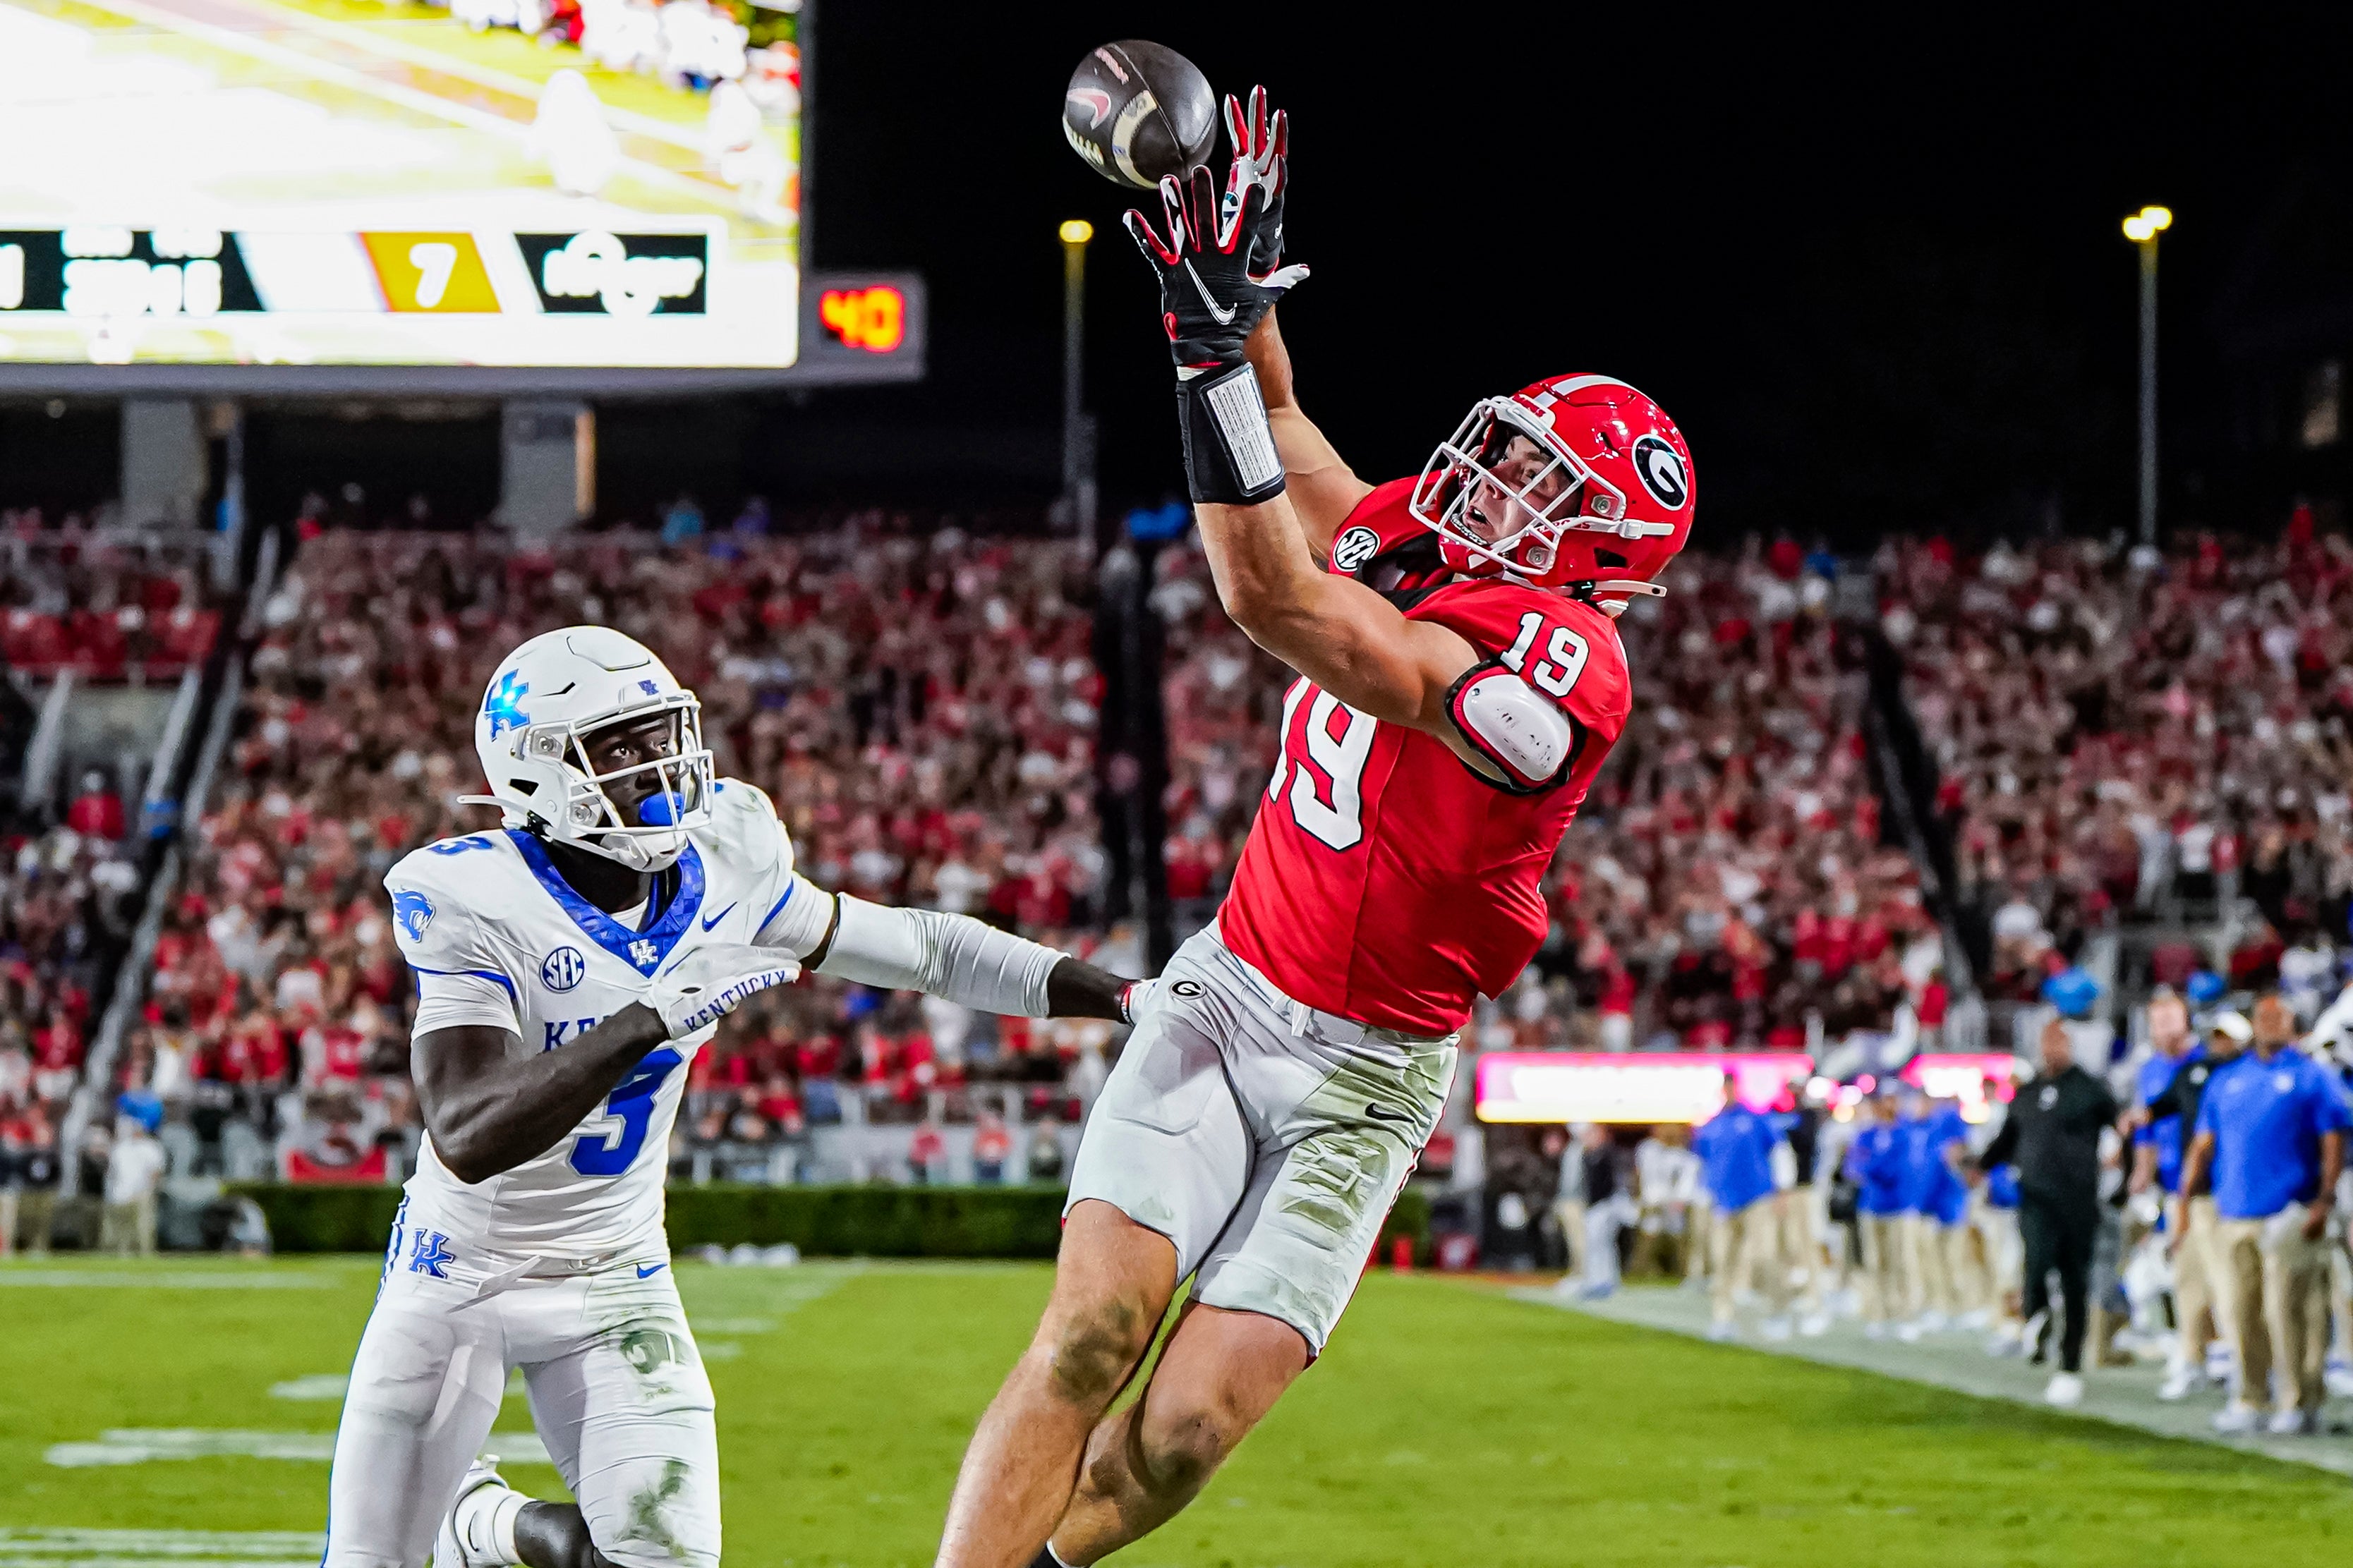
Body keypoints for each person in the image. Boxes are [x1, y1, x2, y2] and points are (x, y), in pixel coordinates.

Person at [933, 86, 1695, 1568]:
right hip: (1229, 995)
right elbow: (1280, 430)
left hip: (1371, 1072)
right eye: (1519, 449)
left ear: (1597, 547)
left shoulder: (1567, 672)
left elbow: (1275, 597)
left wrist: (1199, 350)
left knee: (1183, 1431)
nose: (1500, 477)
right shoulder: (1433, 533)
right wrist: (1236, 299)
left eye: (1547, 481)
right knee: (1092, 1329)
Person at [324, 627, 1147, 1568]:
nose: (659, 765)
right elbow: (465, 1129)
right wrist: (643, 1017)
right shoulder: (472, 891)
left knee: (663, 1556)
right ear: (537, 770)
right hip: (458, 1272)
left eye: (660, 732)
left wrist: (1123, 997)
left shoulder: (725, 863)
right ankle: (477, 1522)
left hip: (614, 1271)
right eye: (619, 747)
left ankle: (502, 1529)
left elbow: (926, 949)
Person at [2179, 991, 2349, 1435]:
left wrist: (2323, 1199)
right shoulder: (2227, 1079)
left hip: (2290, 1209)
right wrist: (2189, 1198)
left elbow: (2332, 1141)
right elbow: (2204, 1143)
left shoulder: (2312, 1077)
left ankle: (2298, 1400)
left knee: (2290, 1312)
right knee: (2239, 1311)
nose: (2271, 1023)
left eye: (2280, 1017)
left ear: (2293, 1024)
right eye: (2264, 1016)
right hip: (2234, 1209)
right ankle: (2250, 1397)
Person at [1974, 1016, 2122, 1409]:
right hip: (2036, 1197)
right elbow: (2008, 1139)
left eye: (2059, 1041)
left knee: (2075, 1281)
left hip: (2078, 1200)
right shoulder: (2028, 1092)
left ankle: (2070, 1364)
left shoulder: (2089, 1090)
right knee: (2036, 1261)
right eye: (2047, 1041)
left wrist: (2127, 1161)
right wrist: (1979, 1167)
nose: (2052, 1048)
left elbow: (2122, 1126)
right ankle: (2036, 1319)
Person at [2130, 991, 2232, 1398]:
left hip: (2212, 1187)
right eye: (2159, 1022)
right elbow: (2147, 1126)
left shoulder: (2207, 1066)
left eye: (2171, 1021)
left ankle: (2231, 1354)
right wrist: (2142, 1170)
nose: (2165, 1030)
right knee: (2186, 1276)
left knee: (2221, 1276)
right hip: (2175, 1188)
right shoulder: (2152, 1070)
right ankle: (2193, 1357)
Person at [1689, 1079, 1791, 1340]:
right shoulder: (1711, 1126)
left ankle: (1777, 1312)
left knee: (1765, 1256)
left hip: (1758, 1197)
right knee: (1723, 1261)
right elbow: (1700, 1163)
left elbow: (1780, 1151)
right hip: (1723, 1202)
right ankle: (1723, 1318)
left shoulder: (1756, 1119)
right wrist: (1700, 1195)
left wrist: (1783, 1188)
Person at [1845, 1096, 1910, 1337]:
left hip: (1897, 1206)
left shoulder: (1903, 1133)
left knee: (1899, 1262)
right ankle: (1878, 1314)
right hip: (1870, 1207)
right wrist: (1876, 1167)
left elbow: (1898, 1169)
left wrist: (1873, 1166)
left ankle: (1903, 1313)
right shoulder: (1867, 1134)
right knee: (1874, 1263)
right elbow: (1853, 1167)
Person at [101, 1112, 167, 1256]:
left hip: (142, 1193)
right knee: (121, 1229)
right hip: (120, 1194)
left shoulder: (151, 1147)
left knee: (143, 1227)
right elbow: (112, 1172)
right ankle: (121, 1254)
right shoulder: (120, 1148)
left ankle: (145, 1254)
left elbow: (156, 1171)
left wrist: (148, 1191)